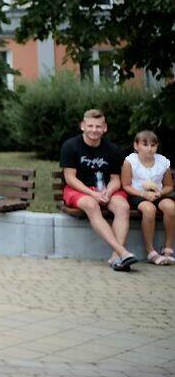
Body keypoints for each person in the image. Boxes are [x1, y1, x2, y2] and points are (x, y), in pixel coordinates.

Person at [59, 109, 137, 271]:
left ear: (104, 128)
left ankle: (117, 257)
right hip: (79, 189)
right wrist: (92, 194)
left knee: (122, 207)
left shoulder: (112, 149)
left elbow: (116, 179)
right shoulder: (70, 146)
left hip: (106, 189)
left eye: (98, 126)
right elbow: (70, 178)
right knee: (91, 205)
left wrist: (108, 192)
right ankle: (122, 251)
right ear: (82, 126)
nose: (94, 130)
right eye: (90, 126)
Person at [120, 130, 173, 265]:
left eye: (153, 145)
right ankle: (150, 251)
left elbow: (169, 186)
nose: (149, 149)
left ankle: (168, 248)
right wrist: (143, 194)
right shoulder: (130, 161)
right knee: (149, 210)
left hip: (157, 194)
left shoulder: (162, 161)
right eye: (145, 145)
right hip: (137, 194)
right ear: (136, 146)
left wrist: (159, 193)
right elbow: (126, 185)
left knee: (171, 207)